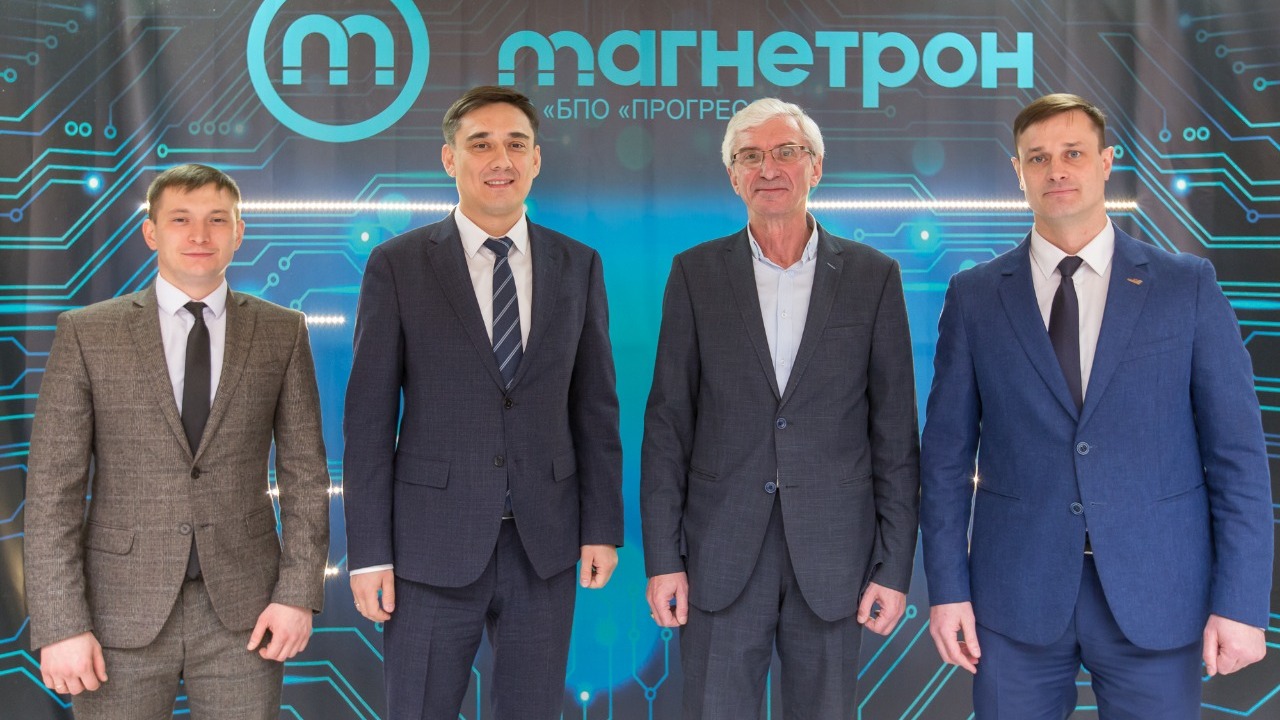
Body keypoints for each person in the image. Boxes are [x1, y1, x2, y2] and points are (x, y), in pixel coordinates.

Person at [919, 93, 1273, 718]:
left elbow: (1238, 456)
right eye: (1038, 158)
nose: (1056, 170)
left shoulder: (1185, 285)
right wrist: (947, 590)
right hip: (1014, 595)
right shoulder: (974, 297)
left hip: (1158, 592)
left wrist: (1242, 602)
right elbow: (945, 461)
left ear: (1106, 162)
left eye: (1073, 153)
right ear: (1018, 172)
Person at [343, 85, 624, 720]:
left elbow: (596, 409)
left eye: (516, 144)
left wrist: (601, 528)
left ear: (537, 160)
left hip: (544, 543)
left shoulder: (578, 264)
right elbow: (368, 420)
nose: (501, 159)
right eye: (481, 144)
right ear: (450, 159)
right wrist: (370, 552)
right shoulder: (398, 265)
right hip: (428, 546)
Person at [641, 97, 921, 718]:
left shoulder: (873, 276)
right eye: (750, 156)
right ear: (733, 176)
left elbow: (895, 436)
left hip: (835, 560)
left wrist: (894, 566)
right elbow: (667, 427)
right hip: (718, 554)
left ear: (816, 167)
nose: (768, 168)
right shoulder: (694, 274)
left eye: (786, 152)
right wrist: (663, 559)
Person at [23, 163, 331, 719]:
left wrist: (297, 593)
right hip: (117, 613)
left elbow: (306, 477)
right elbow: (52, 492)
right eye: (180, 219)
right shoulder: (88, 332)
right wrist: (61, 622)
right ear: (151, 232)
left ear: (239, 232)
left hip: (246, 612)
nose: (199, 235)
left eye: (217, 219)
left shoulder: (282, 331)